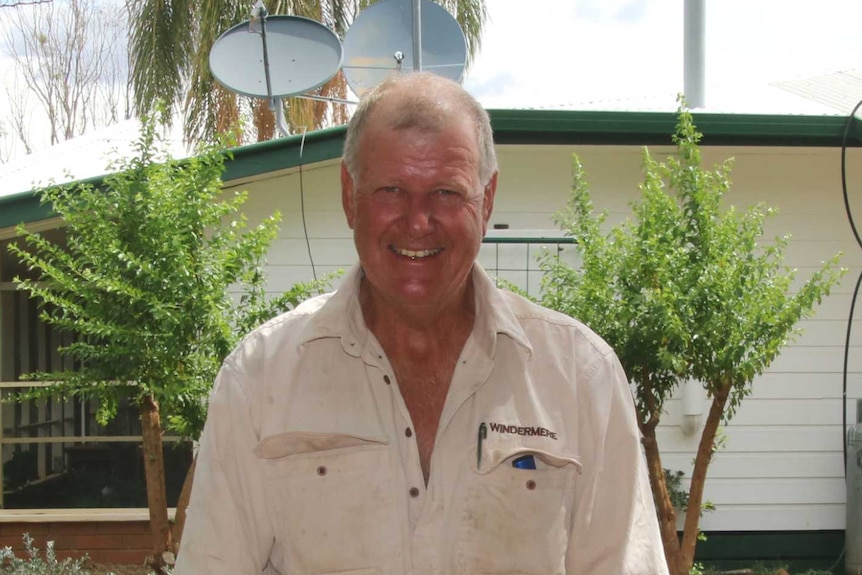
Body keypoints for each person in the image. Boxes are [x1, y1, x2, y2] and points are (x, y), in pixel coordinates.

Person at [174, 72, 669, 575]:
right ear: (350, 195)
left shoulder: (580, 376)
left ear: (487, 199)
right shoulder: (259, 379)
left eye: (446, 193)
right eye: (391, 189)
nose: (417, 220)